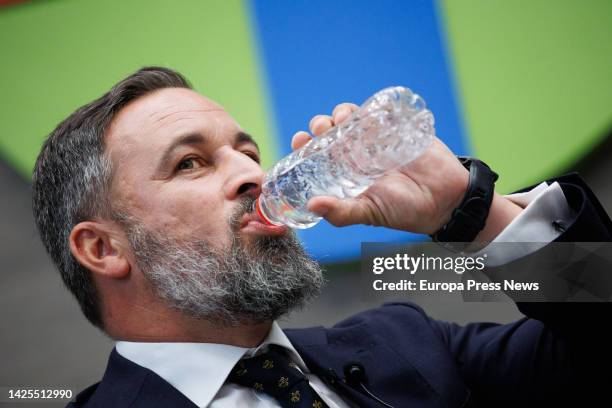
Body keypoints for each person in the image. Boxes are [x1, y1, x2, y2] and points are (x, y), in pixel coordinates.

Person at [32, 67, 611, 408]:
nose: (253, 174)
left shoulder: (403, 344)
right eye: (190, 163)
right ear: (102, 249)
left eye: (248, 152)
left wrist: (472, 212)